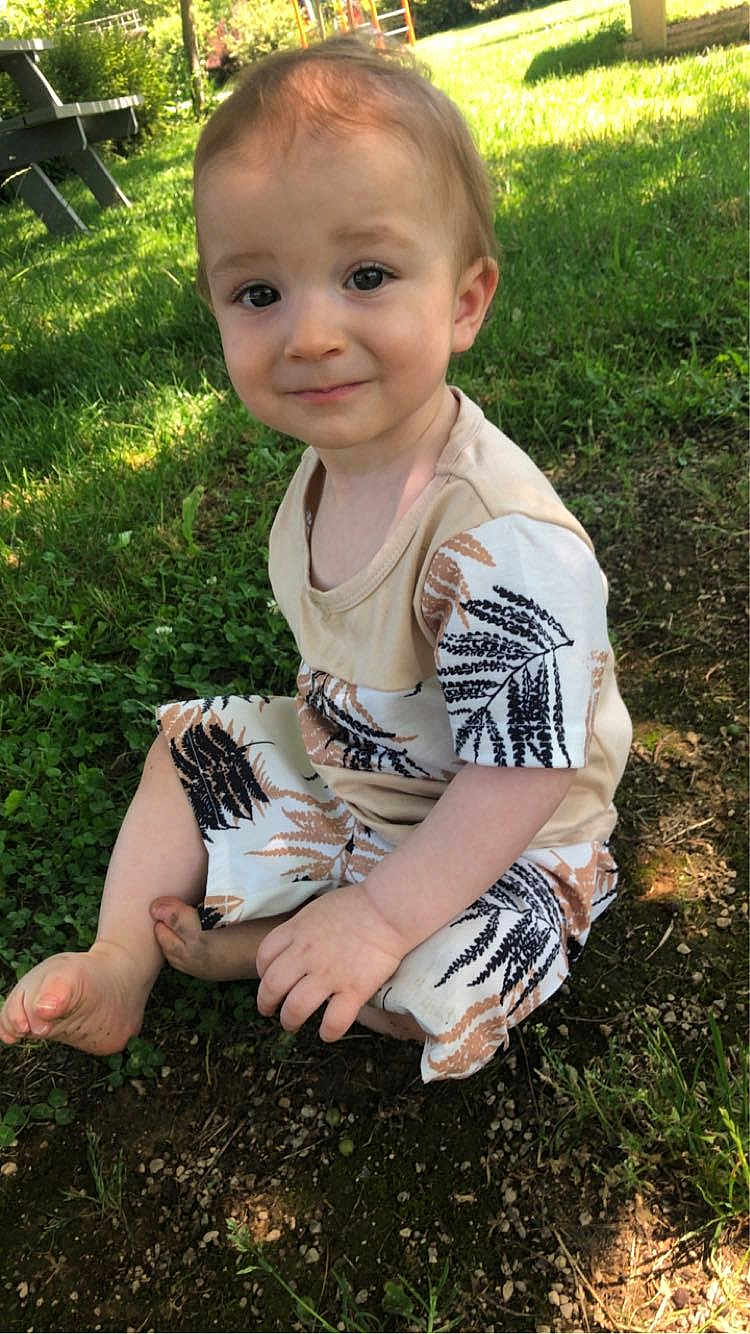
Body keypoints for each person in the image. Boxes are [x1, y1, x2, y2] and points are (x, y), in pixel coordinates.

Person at [0, 36, 631, 1082]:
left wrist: (384, 910)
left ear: (466, 300)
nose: (312, 333)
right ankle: (120, 959)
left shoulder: (496, 543)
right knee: (187, 749)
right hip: (362, 769)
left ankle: (277, 942)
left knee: (445, 983)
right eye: (260, 294)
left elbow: (525, 770)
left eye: (367, 275)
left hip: (507, 829)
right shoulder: (326, 466)